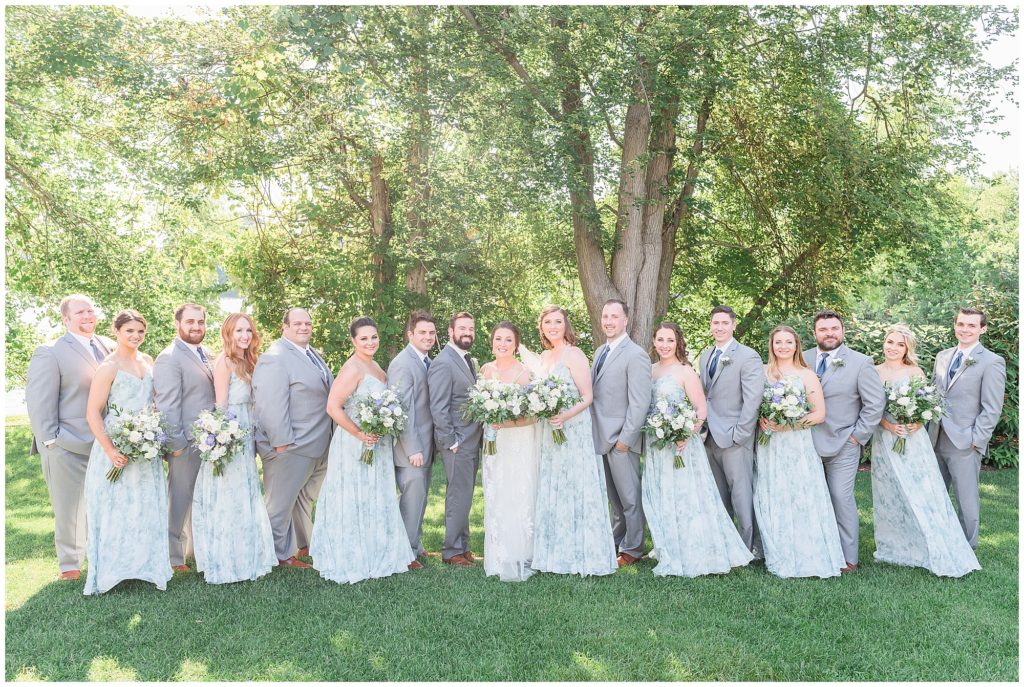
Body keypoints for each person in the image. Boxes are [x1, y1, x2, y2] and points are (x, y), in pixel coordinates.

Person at [310, 317, 415, 583]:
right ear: (354, 341)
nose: (370, 342)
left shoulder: (376, 365)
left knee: (375, 494)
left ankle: (377, 550)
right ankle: (352, 555)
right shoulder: (352, 368)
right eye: (364, 338)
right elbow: (333, 407)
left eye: (374, 337)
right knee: (354, 495)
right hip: (354, 442)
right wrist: (359, 433)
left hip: (376, 442)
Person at [643, 322, 753, 577]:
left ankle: (692, 548)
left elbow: (700, 410)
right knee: (661, 494)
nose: (664, 345)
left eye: (669, 340)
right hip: (657, 445)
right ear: (654, 342)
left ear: (678, 342)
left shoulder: (685, 371)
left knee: (685, 496)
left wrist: (684, 434)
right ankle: (668, 544)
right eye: (660, 340)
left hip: (681, 444)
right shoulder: (650, 371)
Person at [871, 325, 980, 577]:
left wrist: (914, 423)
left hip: (913, 441)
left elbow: (924, 408)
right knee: (889, 491)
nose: (893, 348)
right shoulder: (873, 372)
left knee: (922, 491)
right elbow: (868, 408)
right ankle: (894, 546)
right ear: (883, 343)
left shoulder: (915, 371)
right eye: (890, 342)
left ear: (907, 348)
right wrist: (889, 425)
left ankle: (934, 541)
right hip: (885, 439)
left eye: (900, 344)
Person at [82, 310, 172, 594]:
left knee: (144, 505)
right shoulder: (108, 367)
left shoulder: (148, 361)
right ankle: (113, 570)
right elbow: (93, 413)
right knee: (116, 507)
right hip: (116, 444)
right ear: (117, 332)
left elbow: (154, 401)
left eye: (140, 332)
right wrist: (110, 450)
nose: (135, 336)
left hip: (145, 447)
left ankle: (145, 565)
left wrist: (151, 430)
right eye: (130, 331)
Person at [26, 294, 114, 581]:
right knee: (70, 508)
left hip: (105, 443)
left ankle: (106, 555)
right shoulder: (50, 352)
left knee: (105, 503)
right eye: (80, 312)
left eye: (91, 310)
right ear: (66, 319)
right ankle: (70, 565)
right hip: (65, 442)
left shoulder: (110, 347)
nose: (87, 316)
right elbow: (39, 402)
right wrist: (50, 440)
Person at [532, 305, 617, 576]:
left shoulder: (574, 353)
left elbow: (587, 396)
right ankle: (555, 554)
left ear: (566, 325)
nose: (553, 326)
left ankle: (584, 553)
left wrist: (564, 416)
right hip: (550, 430)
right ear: (542, 327)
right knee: (555, 485)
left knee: (575, 485)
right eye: (548, 322)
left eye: (558, 321)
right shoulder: (544, 356)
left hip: (574, 428)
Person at [191, 313, 277, 584]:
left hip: (249, 432)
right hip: (231, 434)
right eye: (239, 330)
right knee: (229, 494)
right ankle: (227, 558)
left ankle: (249, 553)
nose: (245, 335)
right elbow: (221, 405)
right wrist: (222, 439)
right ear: (228, 333)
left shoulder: (251, 361)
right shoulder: (224, 362)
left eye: (248, 330)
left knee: (246, 492)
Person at [755, 325, 845, 579]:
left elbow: (818, 414)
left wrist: (787, 425)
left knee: (799, 494)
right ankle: (775, 548)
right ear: (771, 345)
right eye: (778, 342)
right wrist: (761, 419)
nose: (783, 346)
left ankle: (806, 551)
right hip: (769, 444)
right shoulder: (762, 372)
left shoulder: (806, 375)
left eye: (788, 342)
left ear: (796, 345)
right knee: (772, 492)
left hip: (796, 445)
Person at [803, 310, 885, 572]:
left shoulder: (861, 362)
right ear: (814, 333)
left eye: (834, 328)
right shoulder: (801, 359)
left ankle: (849, 557)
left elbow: (874, 405)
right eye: (824, 329)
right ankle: (815, 549)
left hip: (844, 443)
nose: (830, 333)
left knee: (841, 496)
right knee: (809, 498)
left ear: (843, 331)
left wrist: (856, 438)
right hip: (804, 444)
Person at [252, 307, 334, 569]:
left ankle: (300, 546)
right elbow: (270, 404)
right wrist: (281, 443)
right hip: (289, 446)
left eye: (308, 323)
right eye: (297, 323)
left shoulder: (311, 354)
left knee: (300, 501)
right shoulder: (275, 357)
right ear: (284, 327)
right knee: (279, 505)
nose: (304, 327)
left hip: (316, 442)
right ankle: (273, 556)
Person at [929, 307, 1006, 550]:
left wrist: (977, 439)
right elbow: (934, 394)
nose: (965, 329)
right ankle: (939, 541)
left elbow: (992, 407)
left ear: (982, 329)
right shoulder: (943, 356)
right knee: (934, 494)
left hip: (965, 440)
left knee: (966, 499)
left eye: (971, 325)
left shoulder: (992, 361)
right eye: (961, 324)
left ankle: (967, 547)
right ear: (955, 326)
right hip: (934, 436)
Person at [697, 305, 765, 557]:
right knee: (718, 494)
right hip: (709, 436)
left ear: (734, 325)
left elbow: (753, 400)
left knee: (741, 494)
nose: (720, 327)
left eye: (725, 323)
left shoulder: (748, 356)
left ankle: (747, 547)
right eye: (715, 323)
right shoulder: (705, 355)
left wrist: (741, 433)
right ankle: (725, 544)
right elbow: (706, 395)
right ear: (710, 325)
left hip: (736, 436)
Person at [154, 303, 216, 572]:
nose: (196, 327)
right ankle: (174, 556)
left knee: (203, 497)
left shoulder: (207, 353)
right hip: (186, 443)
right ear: (177, 323)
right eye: (190, 322)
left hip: (210, 441)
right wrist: (176, 445)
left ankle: (196, 549)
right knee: (179, 499)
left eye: (200, 322)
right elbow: (167, 405)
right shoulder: (169, 357)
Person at [590, 299, 652, 567]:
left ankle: (634, 548)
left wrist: (626, 441)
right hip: (600, 436)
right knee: (614, 499)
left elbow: (639, 402)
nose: (609, 321)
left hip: (621, 439)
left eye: (615, 316)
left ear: (626, 320)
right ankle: (617, 540)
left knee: (629, 498)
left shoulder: (635, 354)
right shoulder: (598, 352)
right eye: (605, 316)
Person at [479, 321, 539, 582]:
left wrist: (503, 423)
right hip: (493, 442)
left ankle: (520, 553)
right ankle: (497, 554)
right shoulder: (484, 370)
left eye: (508, 340)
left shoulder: (524, 374)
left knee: (517, 493)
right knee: (496, 492)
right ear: (492, 342)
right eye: (498, 339)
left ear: (516, 344)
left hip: (517, 442)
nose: (502, 344)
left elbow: (534, 417)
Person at [427, 311, 483, 567]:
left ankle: (463, 546)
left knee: (465, 495)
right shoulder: (443, 362)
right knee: (458, 495)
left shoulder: (467, 360)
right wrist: (451, 440)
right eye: (462, 328)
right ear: (450, 332)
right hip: (458, 442)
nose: (467, 333)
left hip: (472, 439)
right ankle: (451, 551)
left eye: (470, 329)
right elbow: (438, 407)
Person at [386, 310, 437, 567]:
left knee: (419, 497)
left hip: (426, 443)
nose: (428, 337)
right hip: (411, 448)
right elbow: (402, 410)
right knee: (411, 497)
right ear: (410, 334)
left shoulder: (426, 360)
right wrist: (413, 449)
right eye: (422, 333)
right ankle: (404, 553)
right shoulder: (403, 364)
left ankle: (414, 543)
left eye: (431, 332)